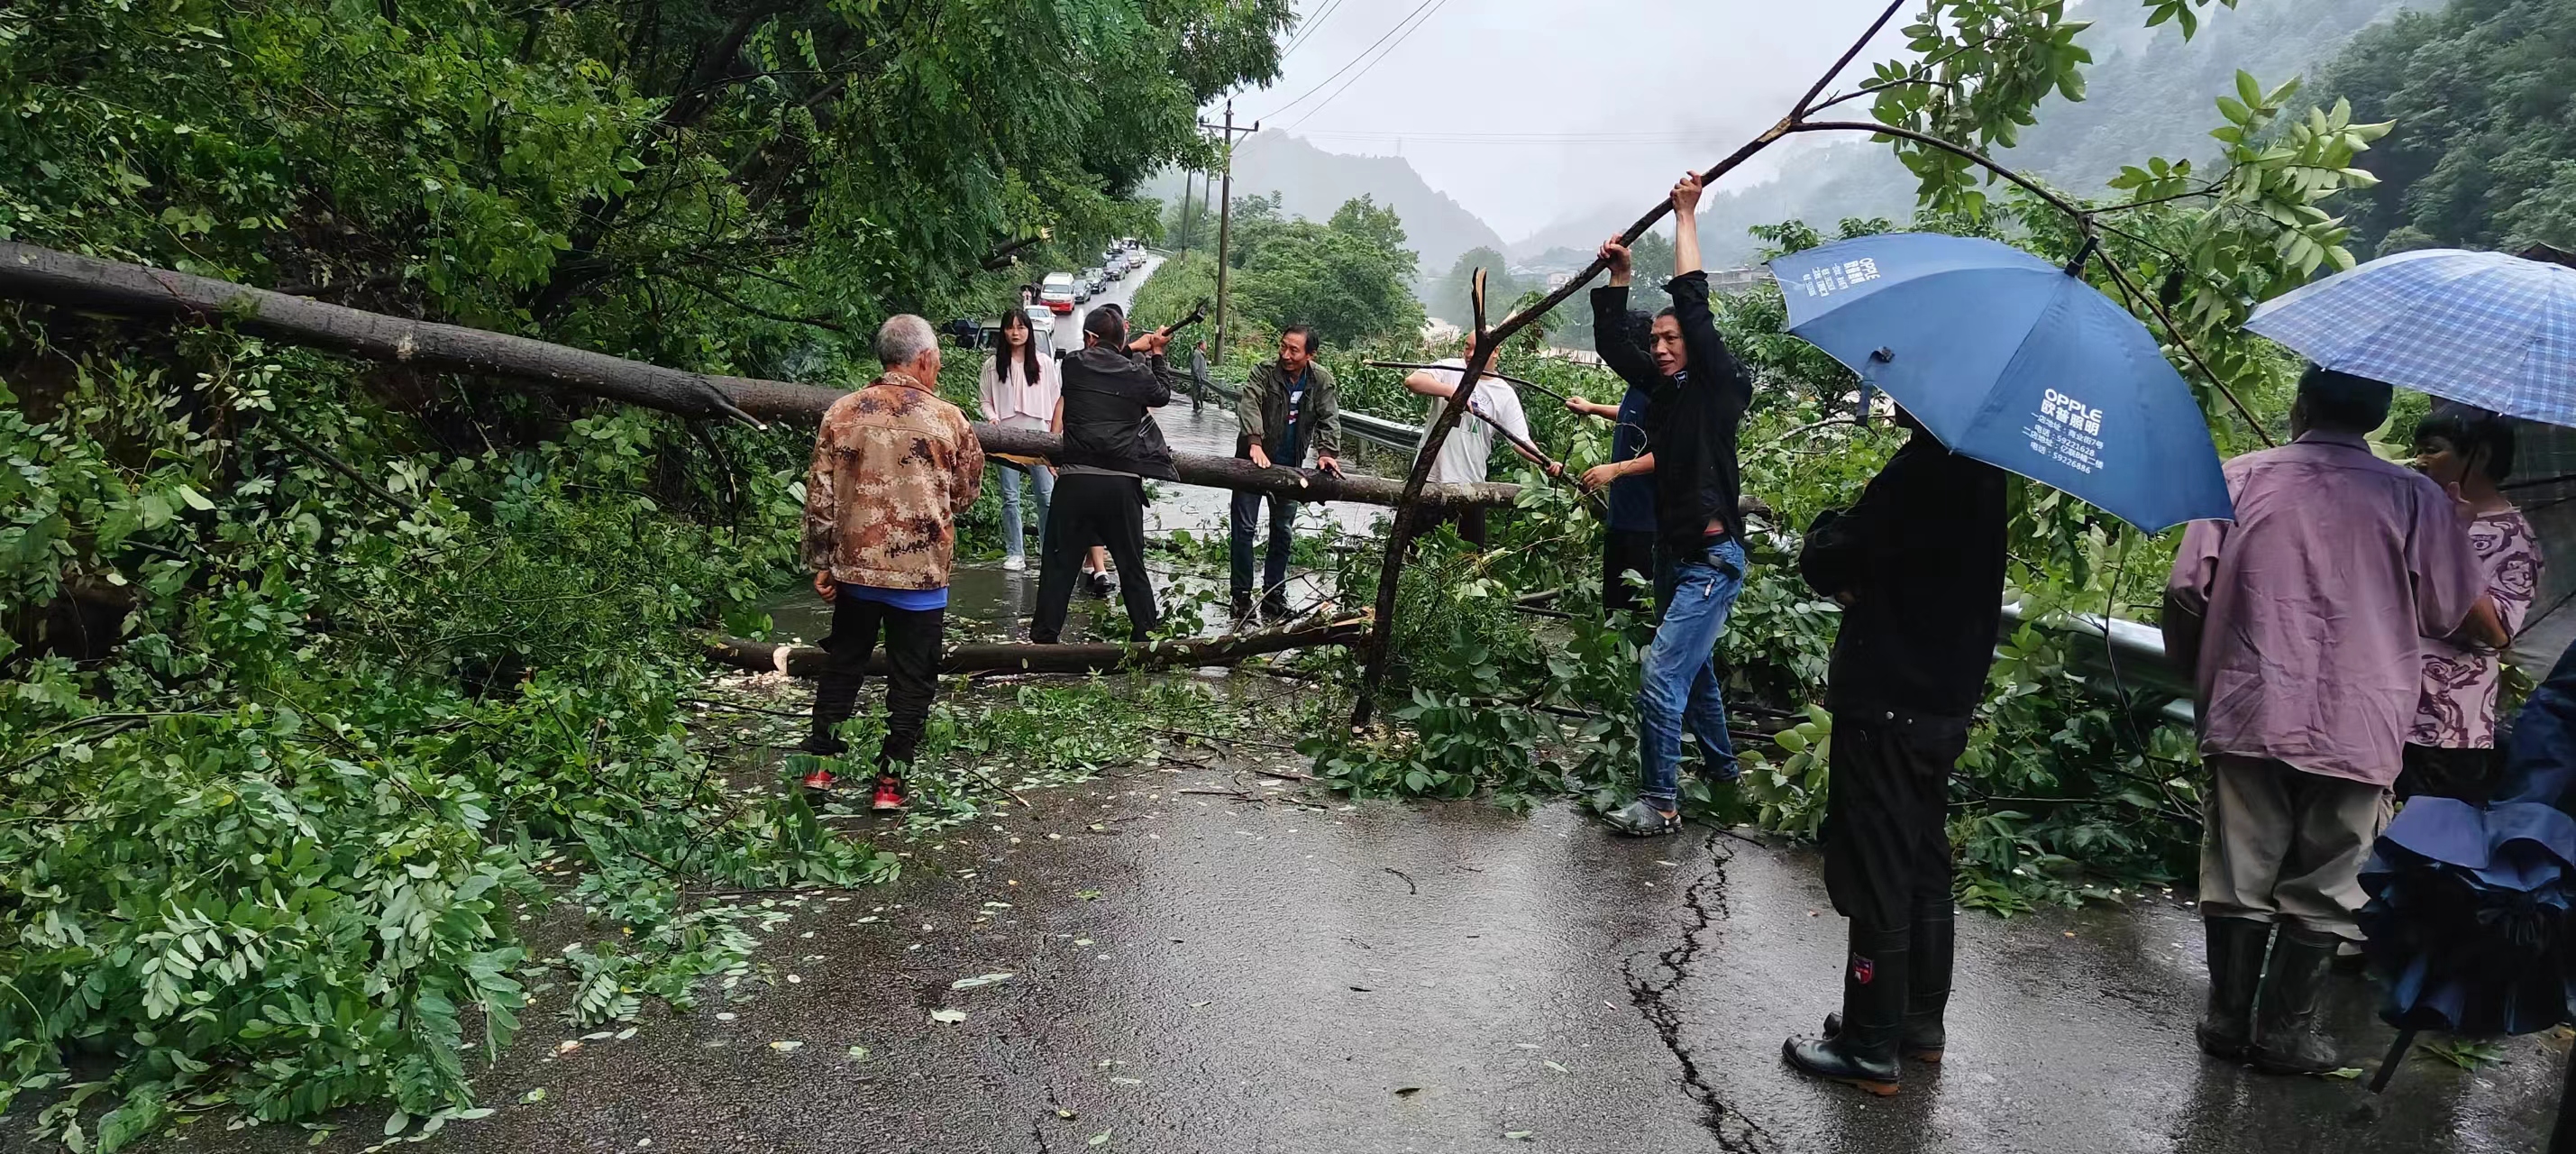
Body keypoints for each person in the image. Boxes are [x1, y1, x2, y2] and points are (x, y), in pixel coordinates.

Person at [2164, 366, 2496, 1075]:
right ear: (2378, 418)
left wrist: (2203, 677)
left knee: (2239, 869)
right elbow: (2446, 614)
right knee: (2330, 878)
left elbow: (2187, 590)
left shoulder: (2239, 475)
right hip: (2362, 717)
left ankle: (2226, 1021)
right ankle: (2289, 1033)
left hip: (2250, 703)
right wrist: (2454, 524)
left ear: (2300, 406)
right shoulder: (2417, 498)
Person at [1777, 407, 2008, 1095]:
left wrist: (1824, 532)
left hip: (1889, 700)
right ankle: (1915, 1025)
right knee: (1921, 859)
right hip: (1942, 704)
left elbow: (1829, 556)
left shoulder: (1923, 470)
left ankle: (1869, 1045)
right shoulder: (1983, 470)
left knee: (1877, 861)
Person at [1588, 173, 1757, 838]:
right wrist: (1622, 277)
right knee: (1699, 675)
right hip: (1674, 552)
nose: (1659, 348)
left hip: (1712, 560)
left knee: (1662, 675)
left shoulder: (1718, 389)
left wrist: (1687, 215)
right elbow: (1611, 344)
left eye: (1670, 340)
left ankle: (1660, 803)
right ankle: (1725, 780)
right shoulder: (1665, 395)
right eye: (1655, 341)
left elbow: (1693, 302)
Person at [799, 315, 985, 811]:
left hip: (855, 573)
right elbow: (965, 494)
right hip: (920, 578)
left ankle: (820, 768)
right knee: (913, 680)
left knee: (843, 668)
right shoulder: (949, 420)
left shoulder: (841, 412)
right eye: (938, 359)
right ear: (924, 359)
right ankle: (889, 784)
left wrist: (823, 560)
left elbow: (820, 497)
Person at [2404, 403, 2543, 804]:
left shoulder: (2514, 540)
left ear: (2478, 456)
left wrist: (2453, 546)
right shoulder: (2421, 516)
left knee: (2427, 848)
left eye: (2433, 448)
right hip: (2386, 707)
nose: (2420, 459)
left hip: (2447, 724)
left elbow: (2497, 633)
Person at [1033, 304, 1175, 645]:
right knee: (1131, 567)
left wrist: (1131, 347)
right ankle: (1147, 639)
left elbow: (1101, 361)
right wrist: (1156, 353)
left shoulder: (1073, 366)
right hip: (1121, 485)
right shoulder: (1137, 373)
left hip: (1076, 483)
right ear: (1120, 338)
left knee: (1058, 566)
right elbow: (1163, 394)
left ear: (1090, 338)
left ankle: (1043, 640)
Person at [1233, 325, 1344, 619]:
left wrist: (1326, 454)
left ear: (1310, 354)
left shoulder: (1321, 380)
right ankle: (1241, 597)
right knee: (1244, 529)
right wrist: (1254, 443)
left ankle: (1273, 597)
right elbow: (1250, 403)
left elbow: (1329, 417)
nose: (1285, 354)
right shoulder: (1264, 371)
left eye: (1294, 350)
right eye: (1283, 347)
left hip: (1290, 466)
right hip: (1251, 461)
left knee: (1282, 532)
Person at [1401, 331, 1545, 547]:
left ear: (1496, 351)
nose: (1469, 354)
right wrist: (1451, 392)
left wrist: (1546, 462)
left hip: (1471, 485)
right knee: (1416, 551)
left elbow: (1519, 440)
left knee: (1469, 559)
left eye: (1476, 349)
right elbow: (1413, 381)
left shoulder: (1504, 393)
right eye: (1466, 347)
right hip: (1429, 479)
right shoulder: (1450, 369)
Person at [1567, 312, 1660, 616]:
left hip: (1647, 520)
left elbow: (1671, 453)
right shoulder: (1638, 386)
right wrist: (1592, 407)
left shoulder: (1661, 391)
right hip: (1623, 514)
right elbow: (1630, 413)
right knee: (1614, 601)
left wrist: (1615, 469)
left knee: (1637, 605)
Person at [978, 307, 1061, 572]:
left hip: (1039, 434)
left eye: (1021, 327)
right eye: (1011, 327)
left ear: (1029, 331)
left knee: (1046, 496)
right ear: (1004, 331)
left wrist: (1053, 433)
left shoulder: (1044, 363)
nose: (1016, 333)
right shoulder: (993, 365)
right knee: (1010, 497)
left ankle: (1048, 549)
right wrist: (992, 419)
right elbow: (985, 400)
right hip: (1006, 436)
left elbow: (1055, 400)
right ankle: (1015, 551)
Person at [1190, 340, 1210, 412]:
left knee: (1199, 392)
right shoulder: (1197, 354)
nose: (1206, 347)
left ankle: (1199, 406)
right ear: (1201, 346)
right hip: (1198, 378)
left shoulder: (1201, 354)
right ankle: (1196, 406)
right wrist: (1198, 377)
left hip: (1201, 377)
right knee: (1196, 392)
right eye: (1205, 345)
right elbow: (1195, 366)